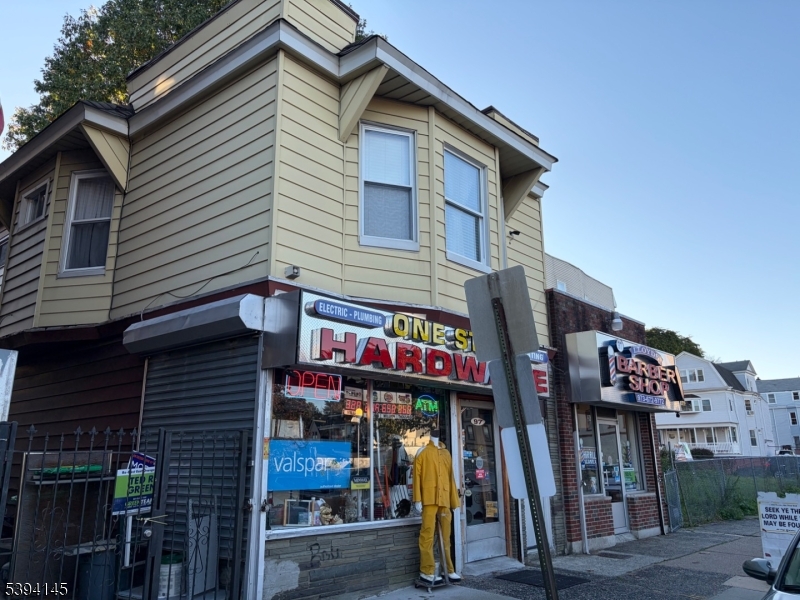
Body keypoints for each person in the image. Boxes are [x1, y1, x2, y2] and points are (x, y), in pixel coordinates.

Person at [413, 429, 461, 584]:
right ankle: (426, 570)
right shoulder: (423, 451)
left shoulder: (446, 453)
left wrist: (454, 501)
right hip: (428, 499)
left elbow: (450, 477)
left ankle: (449, 569)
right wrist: (417, 499)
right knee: (427, 534)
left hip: (445, 499)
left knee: (446, 536)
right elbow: (416, 477)